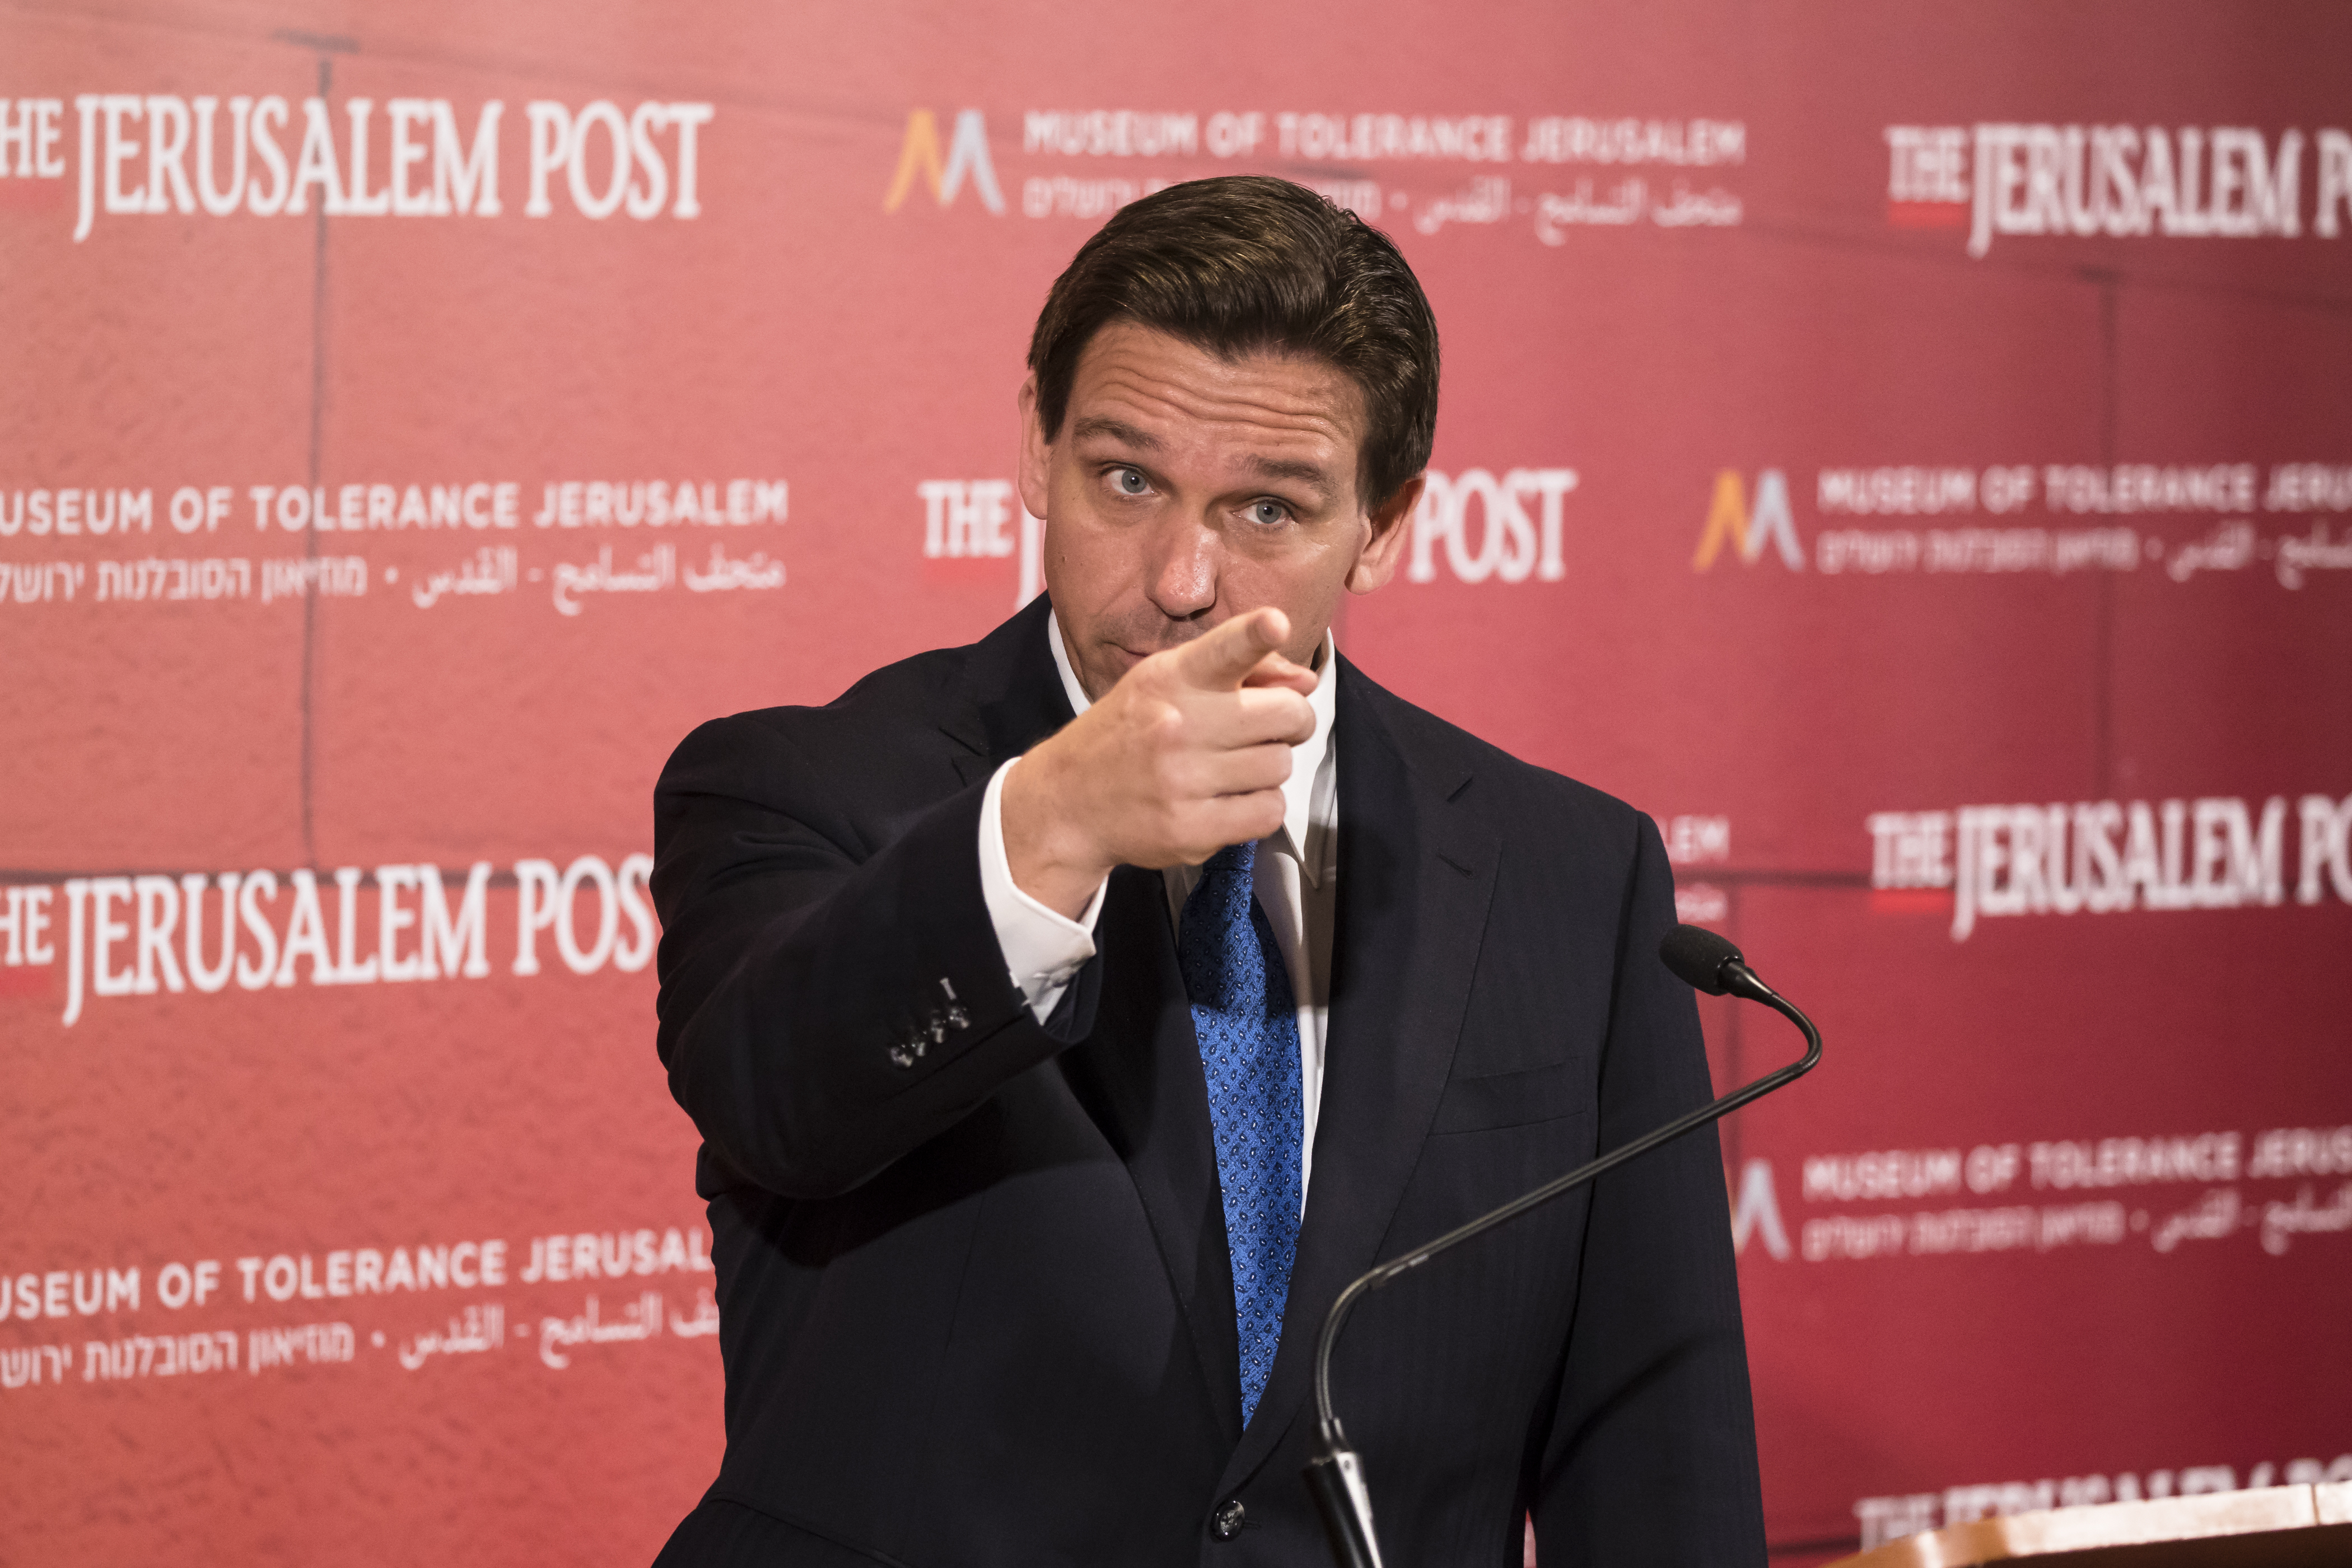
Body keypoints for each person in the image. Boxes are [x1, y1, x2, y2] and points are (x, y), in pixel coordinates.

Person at [650, 175, 1765, 1567]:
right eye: (1125, 480)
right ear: (1032, 447)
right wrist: (1050, 827)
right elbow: (773, 1094)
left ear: (1388, 519)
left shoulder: (1572, 878)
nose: (1181, 577)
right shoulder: (802, 790)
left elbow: (1654, 1456)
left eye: (1269, 511)